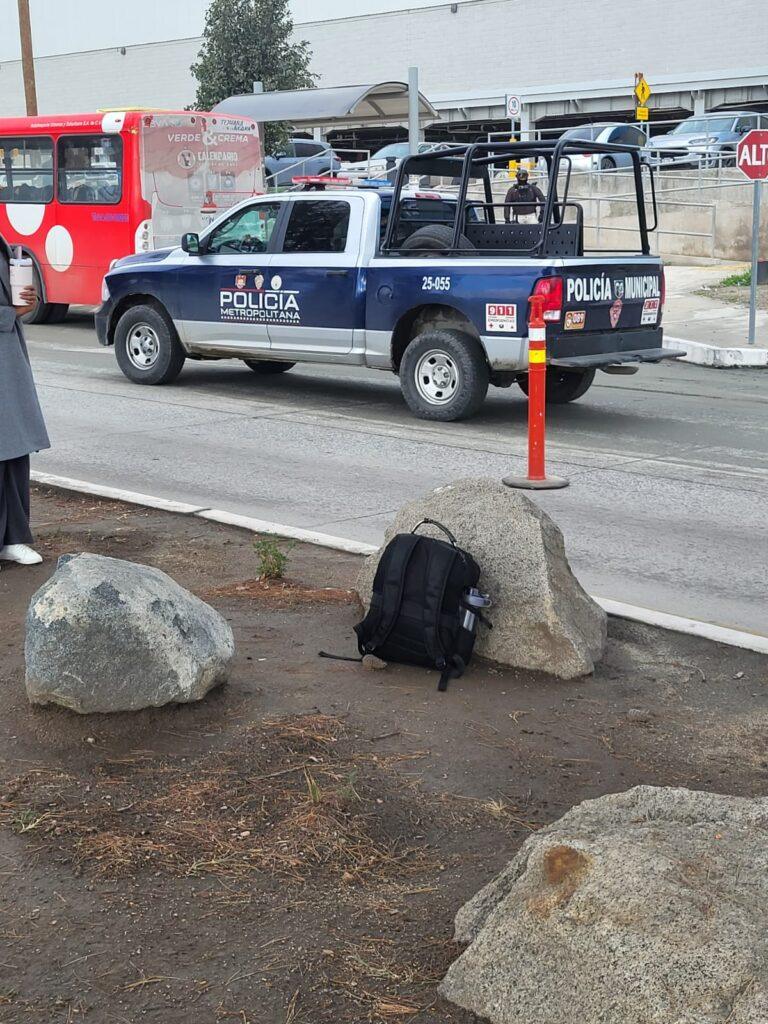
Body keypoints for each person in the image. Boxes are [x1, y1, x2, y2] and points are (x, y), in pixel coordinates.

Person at [0, 233, 50, 566]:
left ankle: (14, 538)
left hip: (7, 357)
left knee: (14, 452)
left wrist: (24, 303)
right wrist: (10, 313)